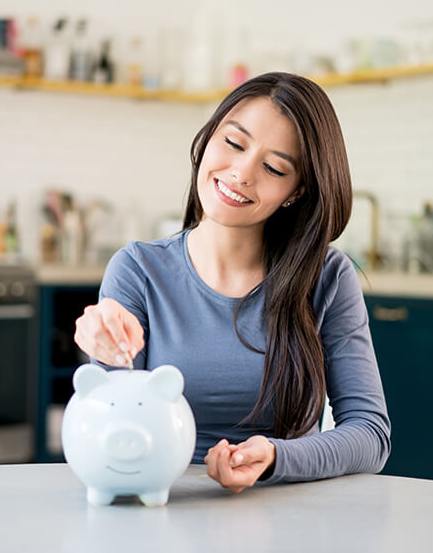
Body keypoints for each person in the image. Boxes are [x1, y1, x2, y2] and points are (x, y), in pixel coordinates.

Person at [73, 72, 391, 493]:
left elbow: (371, 435)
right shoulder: (138, 270)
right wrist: (103, 346)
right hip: (165, 501)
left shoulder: (327, 277)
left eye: (274, 168)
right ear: (208, 137)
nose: (241, 172)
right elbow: (113, 424)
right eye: (234, 143)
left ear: (296, 191)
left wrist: (276, 457)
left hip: (296, 511)